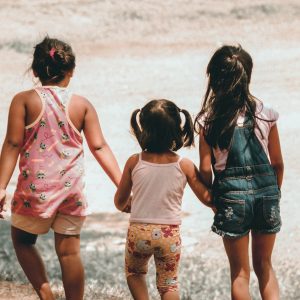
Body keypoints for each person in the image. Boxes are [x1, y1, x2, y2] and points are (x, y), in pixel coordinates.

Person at [0, 36, 122, 300]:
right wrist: (123, 185)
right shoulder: (81, 105)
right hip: (71, 193)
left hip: (35, 191)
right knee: (69, 253)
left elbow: (11, 143)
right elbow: (99, 147)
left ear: (35, 71)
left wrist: (0, 186)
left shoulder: (23, 101)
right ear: (71, 71)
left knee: (22, 241)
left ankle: (46, 295)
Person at [194, 45, 284, 300]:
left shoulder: (208, 120)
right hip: (267, 194)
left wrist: (213, 199)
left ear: (214, 78)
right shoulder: (265, 114)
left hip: (232, 198)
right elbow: (277, 163)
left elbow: (204, 168)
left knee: (240, 273)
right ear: (248, 76)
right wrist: (273, 193)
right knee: (265, 266)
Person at [114, 99, 212, 300]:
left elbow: (119, 201)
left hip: (139, 232)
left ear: (143, 129)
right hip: (169, 234)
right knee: (168, 284)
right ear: (177, 129)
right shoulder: (184, 165)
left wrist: (130, 205)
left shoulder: (135, 161)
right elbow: (207, 197)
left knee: (135, 273)